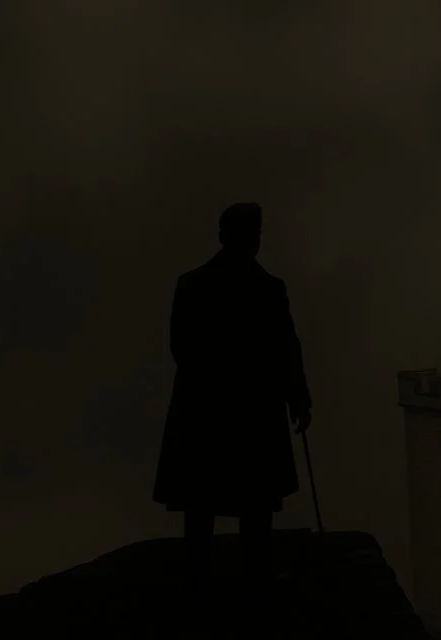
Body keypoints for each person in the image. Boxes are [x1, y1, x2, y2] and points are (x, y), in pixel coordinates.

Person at [152, 202, 312, 593]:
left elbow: (183, 347)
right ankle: (252, 579)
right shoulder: (267, 288)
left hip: (205, 410)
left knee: (205, 498)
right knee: (250, 498)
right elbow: (286, 349)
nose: (254, 240)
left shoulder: (194, 284)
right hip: (250, 409)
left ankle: (201, 580)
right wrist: (296, 396)